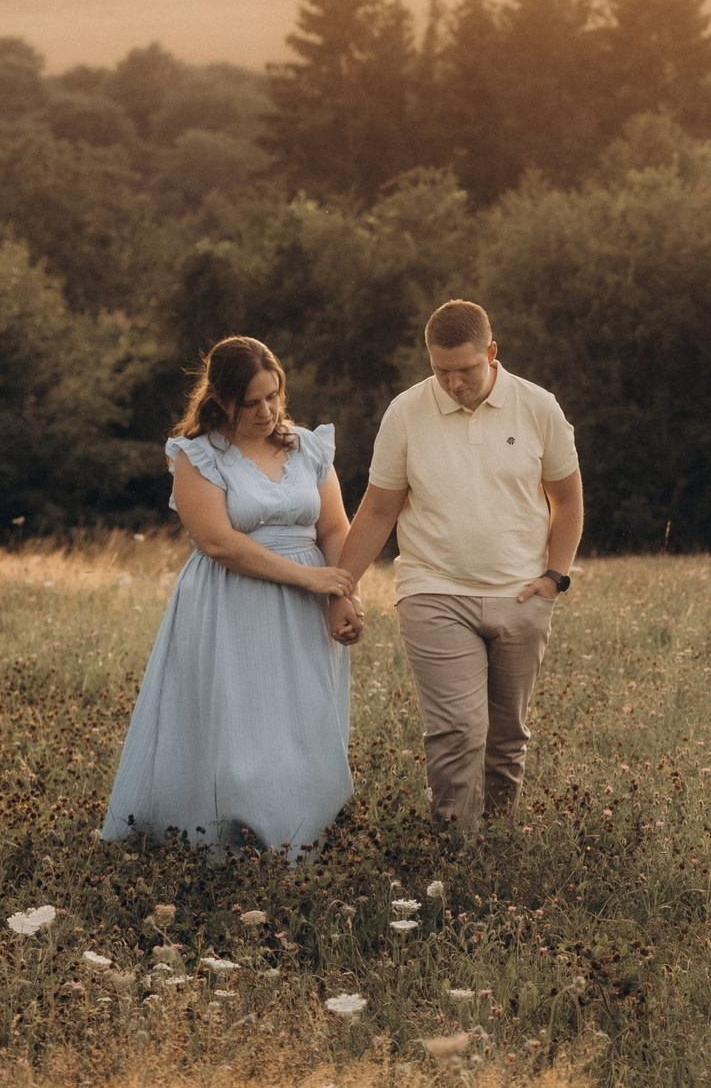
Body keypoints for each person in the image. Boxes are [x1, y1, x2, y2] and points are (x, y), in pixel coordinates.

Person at [327, 298, 583, 831]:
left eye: (465, 369)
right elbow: (378, 509)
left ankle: (497, 837)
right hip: (433, 590)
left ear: (491, 353)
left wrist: (554, 578)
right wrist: (340, 588)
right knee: (458, 731)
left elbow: (568, 498)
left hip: (522, 594)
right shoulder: (405, 412)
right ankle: (453, 846)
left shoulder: (538, 407)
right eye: (440, 370)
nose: (453, 383)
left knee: (506, 736)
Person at [100, 336, 357, 858]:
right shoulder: (198, 455)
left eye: (273, 397)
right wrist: (311, 581)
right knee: (242, 720)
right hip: (232, 599)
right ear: (221, 400)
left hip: (309, 602)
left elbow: (334, 527)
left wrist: (342, 593)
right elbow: (219, 542)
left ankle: (300, 833)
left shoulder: (308, 446)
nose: (266, 412)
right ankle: (233, 833)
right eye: (252, 403)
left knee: (303, 718)